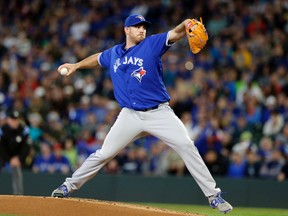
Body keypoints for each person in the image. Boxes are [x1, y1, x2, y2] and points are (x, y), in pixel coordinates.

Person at [51, 14, 233, 213]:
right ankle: (67, 186)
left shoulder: (152, 44)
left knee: (186, 146)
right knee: (103, 154)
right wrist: (76, 65)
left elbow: (177, 32)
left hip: (159, 113)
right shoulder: (114, 53)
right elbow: (98, 58)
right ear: (126, 30)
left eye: (144, 27)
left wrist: (186, 23)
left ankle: (214, 196)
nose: (142, 30)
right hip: (130, 115)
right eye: (137, 27)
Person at [0, 110, 32, 195]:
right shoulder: (3, 130)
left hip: (19, 159)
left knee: (17, 170)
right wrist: (9, 159)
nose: (15, 122)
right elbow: (1, 148)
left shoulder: (24, 129)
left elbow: (26, 147)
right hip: (5, 158)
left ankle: (18, 196)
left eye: (16, 119)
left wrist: (19, 159)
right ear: (8, 120)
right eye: (13, 119)